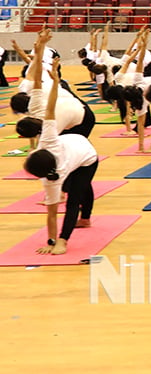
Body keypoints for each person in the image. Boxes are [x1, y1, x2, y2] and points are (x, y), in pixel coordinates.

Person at [23, 56, 98, 255]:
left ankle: (77, 227)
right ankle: (80, 222)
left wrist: (60, 242)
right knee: (70, 187)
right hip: (72, 152)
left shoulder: (52, 175)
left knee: (75, 196)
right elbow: (52, 213)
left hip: (87, 155)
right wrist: (50, 241)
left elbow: (49, 108)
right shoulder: (47, 142)